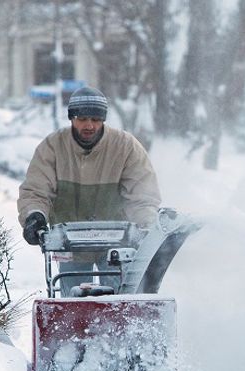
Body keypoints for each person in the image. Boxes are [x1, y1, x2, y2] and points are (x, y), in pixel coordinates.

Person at [17, 86, 161, 295]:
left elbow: (142, 196)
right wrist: (34, 216)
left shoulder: (126, 147)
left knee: (117, 299)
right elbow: (36, 190)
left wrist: (147, 225)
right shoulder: (52, 147)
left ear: (103, 120)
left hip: (116, 240)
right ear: (71, 118)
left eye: (95, 119)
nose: (89, 125)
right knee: (72, 300)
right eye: (82, 118)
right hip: (68, 243)